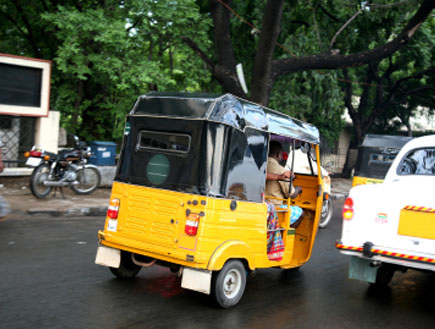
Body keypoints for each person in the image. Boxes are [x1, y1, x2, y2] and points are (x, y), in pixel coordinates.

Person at [265, 140, 304, 228]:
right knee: (301, 213)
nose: (282, 158)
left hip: (262, 203)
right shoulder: (281, 171)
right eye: (282, 155)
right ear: (278, 154)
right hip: (275, 207)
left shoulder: (260, 166)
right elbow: (291, 194)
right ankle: (283, 237)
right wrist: (298, 189)